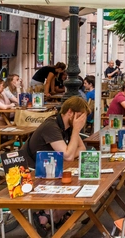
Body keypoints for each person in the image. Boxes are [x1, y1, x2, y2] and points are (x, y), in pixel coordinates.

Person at [18, 96, 89, 235]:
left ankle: (54, 215)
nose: (81, 121)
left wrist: (69, 151)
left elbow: (82, 149)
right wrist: (75, 133)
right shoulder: (51, 126)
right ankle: (48, 215)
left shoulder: (66, 126)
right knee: (76, 184)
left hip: (49, 169)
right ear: (70, 112)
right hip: (29, 173)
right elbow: (68, 155)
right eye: (79, 117)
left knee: (82, 183)